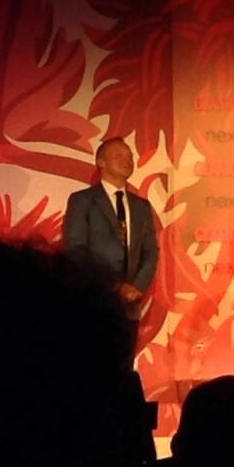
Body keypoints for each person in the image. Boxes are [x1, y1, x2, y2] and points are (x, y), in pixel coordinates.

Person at [63, 137, 159, 338]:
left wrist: (136, 287)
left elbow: (150, 251)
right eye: (118, 155)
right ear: (101, 162)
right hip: (93, 301)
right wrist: (115, 286)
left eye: (129, 156)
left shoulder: (141, 206)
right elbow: (76, 251)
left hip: (130, 307)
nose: (127, 160)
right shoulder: (83, 200)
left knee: (125, 355)